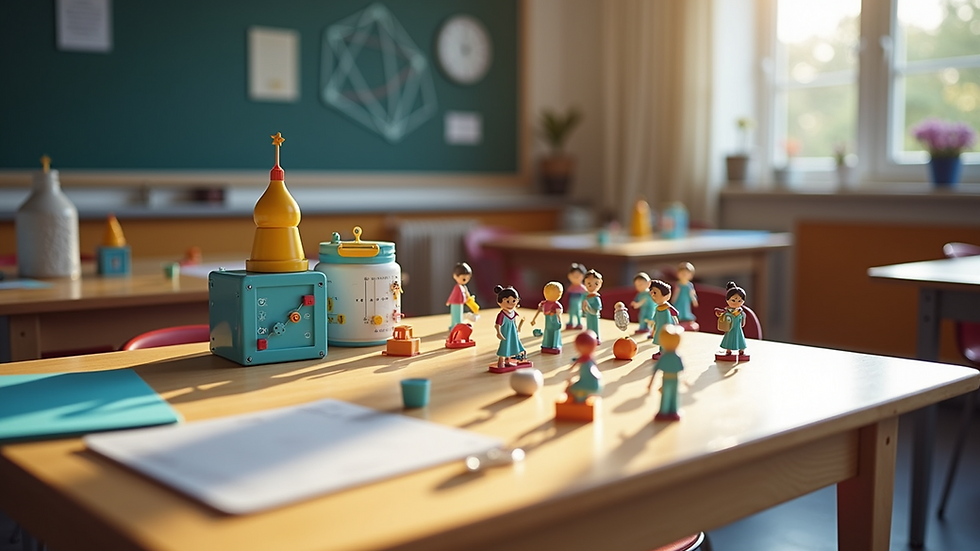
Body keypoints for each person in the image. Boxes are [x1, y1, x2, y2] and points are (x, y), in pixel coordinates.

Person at [648, 324, 684, 421]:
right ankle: (665, 411)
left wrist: (650, 384)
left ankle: (672, 411)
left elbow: (655, 371)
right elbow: (656, 370)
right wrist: (650, 383)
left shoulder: (670, 357)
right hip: (669, 379)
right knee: (668, 395)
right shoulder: (671, 357)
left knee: (672, 395)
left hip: (671, 379)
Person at [493, 285, 527, 369]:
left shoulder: (513, 313)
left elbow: (514, 321)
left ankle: (508, 360)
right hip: (505, 332)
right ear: (500, 302)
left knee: (512, 345)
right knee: (505, 345)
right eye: (507, 301)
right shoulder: (502, 314)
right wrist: (498, 332)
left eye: (514, 301)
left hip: (513, 332)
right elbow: (497, 324)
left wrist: (518, 328)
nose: (511, 304)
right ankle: (501, 360)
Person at [565, 331, 602, 403]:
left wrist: (570, 371)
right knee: (574, 389)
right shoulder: (591, 359)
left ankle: (579, 400)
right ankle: (581, 398)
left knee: (569, 389)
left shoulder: (583, 359)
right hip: (595, 384)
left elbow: (574, 366)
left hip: (587, 384)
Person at [716, 281, 748, 359]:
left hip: (738, 328)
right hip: (730, 328)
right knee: (729, 339)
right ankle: (728, 350)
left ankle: (741, 350)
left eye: (740, 301)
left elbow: (743, 319)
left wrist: (743, 320)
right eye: (733, 300)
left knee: (740, 338)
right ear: (727, 300)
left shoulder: (740, 311)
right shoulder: (727, 311)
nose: (736, 303)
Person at [530, 281, 564, 353]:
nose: (550, 295)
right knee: (548, 332)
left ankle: (555, 345)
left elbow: (559, 314)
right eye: (548, 293)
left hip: (554, 320)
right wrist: (534, 319)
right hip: (548, 321)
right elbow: (539, 310)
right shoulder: (543, 303)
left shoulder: (556, 305)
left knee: (555, 333)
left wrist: (560, 322)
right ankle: (547, 345)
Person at [446, 262, 473, 329]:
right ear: (455, 276)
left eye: (468, 278)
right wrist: (449, 301)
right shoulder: (457, 287)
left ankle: (457, 325)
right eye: (464, 279)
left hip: (460, 303)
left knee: (459, 314)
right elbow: (453, 295)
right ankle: (455, 326)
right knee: (456, 315)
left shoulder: (463, 287)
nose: (466, 280)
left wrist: (469, 298)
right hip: (455, 303)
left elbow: (467, 293)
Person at [581, 269, 603, 342]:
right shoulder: (585, 296)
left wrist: (588, 307)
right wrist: (584, 308)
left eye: (596, 284)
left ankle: (596, 339)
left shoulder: (596, 298)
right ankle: (589, 338)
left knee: (594, 327)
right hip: (588, 315)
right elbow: (582, 305)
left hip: (594, 316)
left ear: (600, 283)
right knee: (589, 327)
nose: (592, 287)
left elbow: (596, 310)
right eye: (589, 284)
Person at [565, 263, 588, 329]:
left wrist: (584, 304)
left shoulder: (583, 288)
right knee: (571, 312)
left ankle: (579, 322)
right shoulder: (570, 287)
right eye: (573, 275)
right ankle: (571, 322)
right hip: (571, 303)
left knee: (578, 313)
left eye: (578, 275)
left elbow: (585, 296)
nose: (576, 277)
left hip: (579, 303)